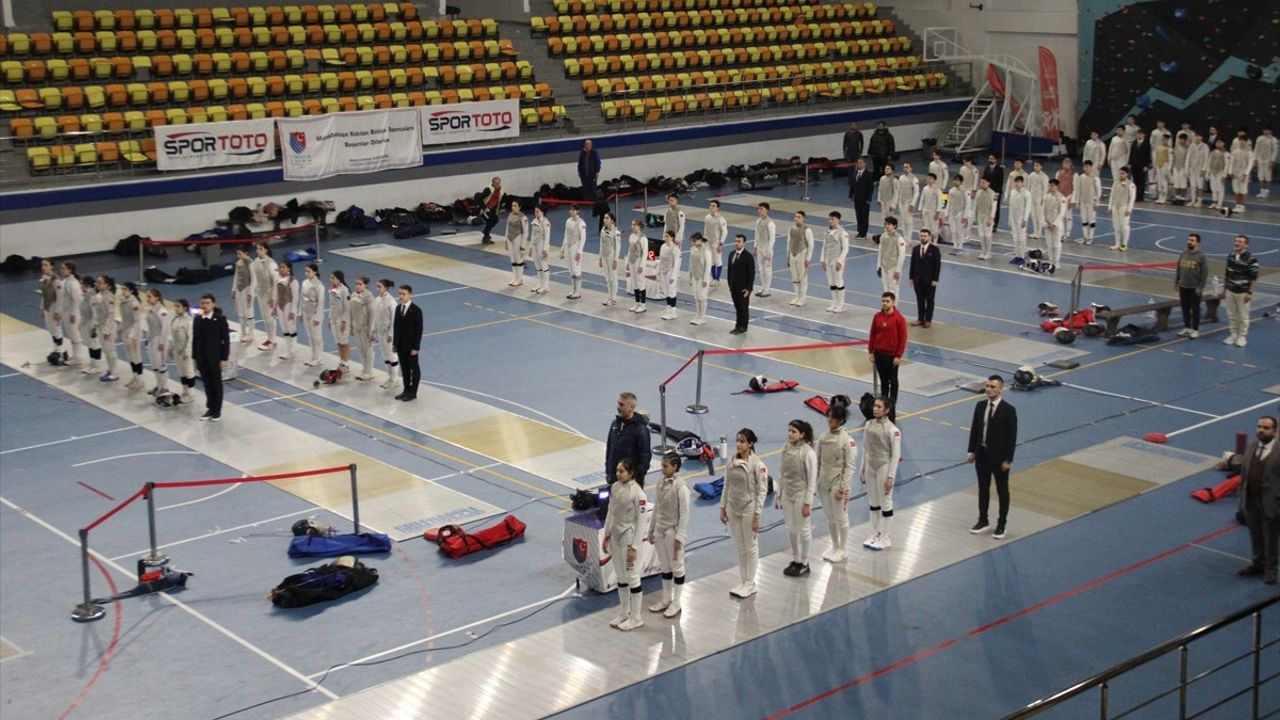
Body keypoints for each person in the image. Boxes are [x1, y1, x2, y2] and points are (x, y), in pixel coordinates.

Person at [720, 428, 768, 598]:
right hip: (733, 507)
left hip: (749, 507)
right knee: (740, 547)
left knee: (751, 547)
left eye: (742, 441)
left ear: (750, 444)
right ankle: (743, 580)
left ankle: (750, 583)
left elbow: (762, 491)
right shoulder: (731, 461)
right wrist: (722, 507)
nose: (738, 444)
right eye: (737, 441)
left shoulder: (758, 465)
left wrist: (757, 516)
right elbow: (727, 485)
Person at [967, 375, 1017, 538]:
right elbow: (975, 429)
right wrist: (971, 451)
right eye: (987, 386)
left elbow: (1012, 437)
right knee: (983, 488)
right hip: (982, 454)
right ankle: (983, 520)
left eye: (993, 387)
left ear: (1001, 389)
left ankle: (1001, 524)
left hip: (999, 458)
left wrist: (1008, 459)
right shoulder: (980, 406)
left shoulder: (1008, 410)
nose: (988, 389)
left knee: (1002, 491)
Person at [603, 457, 646, 630]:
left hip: (629, 538)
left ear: (631, 473)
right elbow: (610, 512)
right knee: (620, 577)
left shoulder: (639, 494)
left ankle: (636, 617)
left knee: (632, 577)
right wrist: (607, 534)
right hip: (616, 536)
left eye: (621, 471)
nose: (618, 474)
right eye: (617, 471)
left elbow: (641, 523)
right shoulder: (615, 487)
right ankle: (624, 612)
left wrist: (635, 547)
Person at [647, 452, 690, 617]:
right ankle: (666, 600)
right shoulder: (660, 482)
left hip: (673, 531)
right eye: (662, 466)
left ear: (675, 467)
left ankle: (676, 602)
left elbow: (685, 514)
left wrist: (680, 537)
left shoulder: (681, 487)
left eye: (665, 466)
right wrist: (651, 530)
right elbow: (656, 508)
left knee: (677, 567)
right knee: (665, 567)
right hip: (660, 530)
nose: (662, 469)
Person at [1237, 416, 1279, 585]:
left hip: (1272, 503)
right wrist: (1241, 501)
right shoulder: (1251, 447)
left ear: (1275, 431)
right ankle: (1257, 564)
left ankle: (1271, 569)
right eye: (1259, 427)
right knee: (1255, 534)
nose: (1261, 430)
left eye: (1266, 428)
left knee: (1271, 537)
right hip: (1251, 500)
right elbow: (1243, 474)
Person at [776, 419, 817, 576]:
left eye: (794, 431)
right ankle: (796, 559)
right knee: (791, 529)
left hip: (801, 494)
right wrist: (779, 494)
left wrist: (808, 503)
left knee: (804, 529)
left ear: (802, 434)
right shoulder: (785, 449)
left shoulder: (808, 453)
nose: (790, 434)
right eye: (789, 430)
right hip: (788, 494)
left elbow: (812, 480)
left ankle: (805, 563)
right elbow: (781, 473)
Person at [860, 396, 901, 551]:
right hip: (870, 466)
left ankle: (886, 537)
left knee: (885, 502)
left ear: (886, 410)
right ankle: (876, 533)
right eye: (874, 406)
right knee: (873, 502)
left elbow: (896, 455)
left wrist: (891, 477)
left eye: (879, 407)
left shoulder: (893, 430)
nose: (875, 409)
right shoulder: (868, 425)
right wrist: (862, 468)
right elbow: (865, 448)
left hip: (884, 465)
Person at [817, 405, 856, 562]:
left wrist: (843, 488)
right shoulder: (823, 438)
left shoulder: (848, 441)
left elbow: (850, 467)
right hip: (823, 482)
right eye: (829, 416)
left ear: (840, 420)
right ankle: (834, 546)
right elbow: (817, 461)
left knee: (841, 517)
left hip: (838, 482)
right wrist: (816, 483)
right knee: (830, 517)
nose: (829, 420)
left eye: (833, 417)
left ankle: (843, 549)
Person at [868, 292, 907, 417]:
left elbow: (903, 338)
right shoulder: (877, 317)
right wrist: (871, 351)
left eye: (887, 301)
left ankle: (892, 406)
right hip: (879, 354)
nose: (884, 303)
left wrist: (898, 355)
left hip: (891, 356)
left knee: (893, 381)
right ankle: (883, 406)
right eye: (883, 301)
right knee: (883, 381)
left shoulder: (899, 319)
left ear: (893, 302)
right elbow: (873, 334)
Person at [193, 293, 230, 421]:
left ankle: (217, 411)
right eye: (202, 303)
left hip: (215, 358)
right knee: (207, 385)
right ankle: (210, 408)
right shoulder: (198, 319)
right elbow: (195, 340)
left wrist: (224, 358)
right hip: (202, 358)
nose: (204, 305)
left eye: (207, 303)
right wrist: (195, 358)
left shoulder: (220, 319)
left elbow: (225, 340)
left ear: (213, 304)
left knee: (216, 384)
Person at [605, 392, 651, 485]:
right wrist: (608, 472)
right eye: (618, 403)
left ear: (631, 408)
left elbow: (645, 457)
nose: (618, 407)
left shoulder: (641, 430)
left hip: (631, 482)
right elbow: (609, 449)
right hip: (614, 479)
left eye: (622, 404)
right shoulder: (614, 424)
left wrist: (635, 478)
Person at [1223, 234, 1258, 348]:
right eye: (1236, 241)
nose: (1237, 243)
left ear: (1246, 245)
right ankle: (1233, 334)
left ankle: (1242, 336)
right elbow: (1227, 273)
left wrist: (1250, 292)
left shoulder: (1251, 259)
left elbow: (1253, 278)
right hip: (1230, 290)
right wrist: (1224, 289)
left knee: (1243, 316)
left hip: (1243, 292)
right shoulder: (1231, 256)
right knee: (1231, 314)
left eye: (1240, 242)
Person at [393, 284, 423, 401]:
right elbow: (396, 327)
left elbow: (419, 330)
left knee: (414, 369)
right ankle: (406, 390)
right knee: (404, 369)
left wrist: (416, 347)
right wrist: (395, 343)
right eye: (400, 294)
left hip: (411, 347)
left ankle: (413, 392)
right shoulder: (398, 308)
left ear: (410, 295)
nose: (401, 296)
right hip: (401, 345)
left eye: (403, 294)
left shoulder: (416, 310)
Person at [1174, 233, 1207, 339]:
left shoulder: (1201, 256)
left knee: (1195, 309)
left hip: (1194, 288)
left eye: (1192, 240)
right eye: (1188, 240)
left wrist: (1200, 287)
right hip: (1183, 286)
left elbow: (1204, 273)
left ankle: (1195, 329)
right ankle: (1187, 327)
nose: (1189, 242)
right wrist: (1176, 282)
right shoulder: (1183, 254)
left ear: (1197, 243)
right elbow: (1179, 269)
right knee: (1185, 308)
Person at [909, 229, 941, 328]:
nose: (923, 238)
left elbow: (937, 266)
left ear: (929, 237)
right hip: (918, 280)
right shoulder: (915, 249)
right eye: (921, 236)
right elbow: (912, 264)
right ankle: (920, 319)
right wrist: (911, 277)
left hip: (929, 280)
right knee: (920, 300)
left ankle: (928, 320)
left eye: (925, 236)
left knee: (930, 300)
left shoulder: (934, 250)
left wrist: (935, 279)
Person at [250, 240, 279, 351]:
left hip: (270, 294)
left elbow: (276, 282)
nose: (258, 251)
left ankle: (273, 341)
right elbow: (254, 279)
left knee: (270, 318)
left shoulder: (271, 263)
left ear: (266, 250)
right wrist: (253, 292)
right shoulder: (256, 262)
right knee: (265, 317)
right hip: (261, 293)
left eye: (261, 249)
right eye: (257, 249)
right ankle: (269, 339)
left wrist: (274, 298)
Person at [55, 261, 84, 366]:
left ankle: (78, 357)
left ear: (70, 270)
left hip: (73, 313)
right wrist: (60, 312)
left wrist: (73, 313)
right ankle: (75, 356)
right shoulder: (65, 282)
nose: (61, 270)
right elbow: (63, 300)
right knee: (71, 335)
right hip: (67, 312)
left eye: (63, 269)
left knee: (75, 335)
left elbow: (77, 300)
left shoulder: (73, 283)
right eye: (61, 268)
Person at [143, 289, 171, 395]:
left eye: (150, 296)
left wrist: (161, 342)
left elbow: (165, 328)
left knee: (161, 364)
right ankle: (159, 385)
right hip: (152, 339)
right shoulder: (150, 309)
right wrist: (147, 338)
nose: (148, 299)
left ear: (157, 297)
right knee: (154, 364)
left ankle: (165, 387)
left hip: (160, 340)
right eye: (147, 296)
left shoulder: (162, 311)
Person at [821, 211, 850, 313]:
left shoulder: (843, 233)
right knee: (831, 282)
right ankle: (835, 302)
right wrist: (822, 260)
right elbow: (824, 246)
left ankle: (841, 305)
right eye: (829, 219)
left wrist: (840, 262)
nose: (830, 221)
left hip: (837, 260)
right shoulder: (826, 231)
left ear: (838, 220)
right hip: (828, 260)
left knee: (838, 282)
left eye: (833, 219)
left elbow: (845, 249)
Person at [726, 233, 755, 334]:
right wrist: (730, 285)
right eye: (736, 241)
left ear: (744, 243)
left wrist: (749, 288)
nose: (737, 243)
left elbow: (751, 273)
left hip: (743, 288)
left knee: (743, 308)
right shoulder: (731, 254)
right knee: (737, 307)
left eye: (739, 241)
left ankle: (743, 327)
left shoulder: (748, 256)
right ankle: (737, 325)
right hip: (733, 287)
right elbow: (729, 271)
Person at [93, 276, 119, 382]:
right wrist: (95, 326)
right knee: (106, 350)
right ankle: (111, 369)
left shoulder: (109, 297)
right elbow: (97, 313)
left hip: (108, 327)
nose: (97, 284)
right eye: (97, 282)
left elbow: (110, 315)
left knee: (110, 350)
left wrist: (107, 330)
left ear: (107, 285)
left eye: (100, 282)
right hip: (100, 326)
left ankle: (115, 373)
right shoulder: (99, 296)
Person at [349, 276, 375, 380]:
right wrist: (351, 326)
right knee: (360, 349)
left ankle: (370, 372)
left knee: (368, 350)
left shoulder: (369, 297)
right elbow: (351, 312)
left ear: (365, 285)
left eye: (360, 284)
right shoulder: (353, 295)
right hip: (357, 326)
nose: (357, 286)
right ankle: (364, 369)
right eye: (356, 284)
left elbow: (372, 315)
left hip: (365, 327)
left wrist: (371, 331)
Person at [119, 282, 144, 388]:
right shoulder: (124, 301)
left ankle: (140, 380)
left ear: (131, 291)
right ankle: (135, 376)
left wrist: (131, 335)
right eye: (122, 289)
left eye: (125, 289)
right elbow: (124, 318)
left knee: (135, 356)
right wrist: (120, 328)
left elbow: (136, 321)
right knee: (130, 357)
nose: (123, 291)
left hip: (134, 333)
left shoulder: (134, 304)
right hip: (126, 331)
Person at [168, 298, 194, 401]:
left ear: (185, 308)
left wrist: (187, 351)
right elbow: (173, 336)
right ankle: (185, 391)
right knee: (181, 372)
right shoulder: (175, 319)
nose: (176, 308)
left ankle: (191, 393)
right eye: (175, 306)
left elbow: (190, 337)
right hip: (177, 350)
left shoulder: (189, 321)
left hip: (186, 351)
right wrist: (171, 348)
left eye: (178, 306)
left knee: (188, 371)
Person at [786, 211, 814, 307]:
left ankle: (802, 298)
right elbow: (789, 243)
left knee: (802, 277)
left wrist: (808, 259)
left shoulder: (807, 230)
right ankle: (797, 296)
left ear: (803, 218)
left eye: (799, 217)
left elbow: (811, 245)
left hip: (802, 254)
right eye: (795, 217)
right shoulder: (791, 229)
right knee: (795, 277)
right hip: (792, 254)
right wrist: (787, 257)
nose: (796, 218)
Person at [299, 263, 325, 367]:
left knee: (316, 337)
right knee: (310, 336)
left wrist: (317, 317)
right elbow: (301, 298)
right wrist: (300, 312)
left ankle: (319, 358)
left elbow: (321, 302)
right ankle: (313, 356)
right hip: (306, 312)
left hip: (314, 313)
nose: (306, 273)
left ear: (315, 272)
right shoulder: (304, 282)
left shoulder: (319, 286)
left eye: (308, 271)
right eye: (305, 271)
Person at [272, 260, 299, 360]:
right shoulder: (278, 279)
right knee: (284, 328)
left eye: (283, 267)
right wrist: (274, 307)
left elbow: (295, 297)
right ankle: (288, 350)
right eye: (280, 267)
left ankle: (293, 351)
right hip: (280, 306)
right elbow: (276, 294)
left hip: (289, 305)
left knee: (290, 328)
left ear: (289, 269)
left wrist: (293, 311)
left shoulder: (293, 281)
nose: (281, 269)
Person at [373, 279, 398, 388]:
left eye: (379, 286)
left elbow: (394, 320)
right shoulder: (377, 300)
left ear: (386, 288)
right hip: (380, 332)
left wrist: (391, 334)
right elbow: (375, 317)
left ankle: (394, 380)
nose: (377, 288)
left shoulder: (391, 302)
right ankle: (390, 377)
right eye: (377, 286)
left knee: (392, 355)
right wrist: (373, 330)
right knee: (385, 356)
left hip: (388, 334)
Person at [39, 259, 64, 360]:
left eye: (46, 265)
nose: (43, 267)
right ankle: (56, 349)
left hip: (54, 307)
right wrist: (42, 307)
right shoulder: (44, 278)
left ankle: (60, 351)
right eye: (42, 265)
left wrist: (57, 311)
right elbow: (43, 294)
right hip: (47, 306)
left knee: (56, 329)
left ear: (52, 266)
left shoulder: (56, 280)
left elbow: (60, 297)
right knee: (50, 329)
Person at [1072, 160, 1101, 245]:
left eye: (1087, 167)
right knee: (1084, 219)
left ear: (1091, 167)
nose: (1085, 168)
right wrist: (1077, 201)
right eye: (1084, 167)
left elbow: (1098, 192)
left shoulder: (1095, 178)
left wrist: (1097, 203)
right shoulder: (1081, 177)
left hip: (1091, 202)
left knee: (1091, 220)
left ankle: (1090, 238)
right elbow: (1078, 190)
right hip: (1083, 202)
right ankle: (1085, 237)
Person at [230, 247, 255, 346]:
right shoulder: (238, 263)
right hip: (239, 289)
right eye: (237, 254)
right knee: (241, 312)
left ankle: (251, 334)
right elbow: (236, 276)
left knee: (248, 311)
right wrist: (233, 289)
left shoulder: (251, 263)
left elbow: (254, 279)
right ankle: (243, 332)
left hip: (247, 289)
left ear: (246, 253)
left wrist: (250, 293)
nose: (239, 256)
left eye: (240, 254)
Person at [561, 204, 587, 299]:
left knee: (576, 269)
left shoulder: (581, 223)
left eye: (573, 210)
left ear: (578, 211)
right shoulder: (568, 221)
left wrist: (579, 252)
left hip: (576, 247)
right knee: (571, 270)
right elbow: (566, 235)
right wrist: (562, 249)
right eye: (570, 209)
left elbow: (583, 238)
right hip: (568, 247)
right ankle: (573, 290)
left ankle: (578, 292)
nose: (571, 211)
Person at [328, 270, 351, 374]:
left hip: (342, 320)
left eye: (333, 278)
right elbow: (331, 305)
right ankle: (341, 362)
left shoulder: (344, 290)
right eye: (331, 278)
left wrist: (344, 321)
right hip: (334, 319)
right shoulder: (332, 289)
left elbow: (347, 307)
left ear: (339, 279)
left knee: (344, 342)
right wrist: (329, 318)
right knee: (338, 341)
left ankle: (345, 363)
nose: (331, 280)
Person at [1042, 178, 1066, 273]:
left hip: (1057, 225)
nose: (1051, 187)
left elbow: (1061, 212)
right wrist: (1046, 223)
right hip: (1048, 225)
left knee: (1056, 245)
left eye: (1052, 186)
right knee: (1049, 245)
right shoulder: (1046, 197)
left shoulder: (1062, 198)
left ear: (1057, 186)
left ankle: (1056, 263)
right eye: (1050, 186)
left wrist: (1055, 223)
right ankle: (1051, 262)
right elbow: (1043, 211)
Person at [877, 215, 907, 294]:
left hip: (893, 267)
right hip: (884, 266)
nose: (886, 226)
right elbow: (880, 252)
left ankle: (894, 303)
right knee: (886, 288)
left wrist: (898, 270)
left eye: (889, 224)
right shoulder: (883, 236)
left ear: (894, 226)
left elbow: (902, 255)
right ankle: (887, 303)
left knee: (893, 289)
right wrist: (879, 266)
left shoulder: (899, 238)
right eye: (885, 224)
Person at [1109, 166, 1136, 251]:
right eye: (1120, 173)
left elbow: (1132, 198)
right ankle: (1117, 244)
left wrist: (1129, 209)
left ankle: (1124, 244)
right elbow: (1112, 195)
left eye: (1122, 173)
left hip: (1124, 207)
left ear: (1127, 174)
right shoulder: (1115, 183)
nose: (1120, 175)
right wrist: (1110, 207)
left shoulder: (1131, 185)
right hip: (1115, 206)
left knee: (1124, 226)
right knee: (1116, 226)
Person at [687, 231, 712, 325]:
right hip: (695, 276)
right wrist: (690, 277)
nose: (693, 243)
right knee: (696, 297)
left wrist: (705, 279)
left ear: (700, 240)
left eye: (695, 241)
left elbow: (708, 266)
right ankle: (697, 315)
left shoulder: (706, 252)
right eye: (692, 241)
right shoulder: (692, 250)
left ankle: (702, 317)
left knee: (702, 297)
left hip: (702, 277)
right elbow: (691, 264)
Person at [1006, 175, 1032, 264]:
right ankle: (1017, 256)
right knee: (1015, 238)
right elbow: (1011, 206)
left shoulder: (1026, 194)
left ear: (1022, 183)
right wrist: (1010, 219)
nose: (1017, 184)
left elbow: (1028, 208)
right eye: (1016, 182)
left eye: (1019, 182)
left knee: (1021, 238)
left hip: (1021, 219)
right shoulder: (1013, 192)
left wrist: (1025, 220)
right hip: (1014, 218)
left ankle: (1022, 257)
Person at [527, 205, 552, 295]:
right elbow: (532, 235)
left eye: (537, 211)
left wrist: (545, 249)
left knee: (543, 265)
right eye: (535, 211)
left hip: (542, 246)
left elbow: (547, 237)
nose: (536, 213)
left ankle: (545, 286)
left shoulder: (546, 222)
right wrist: (530, 248)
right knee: (537, 265)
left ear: (542, 212)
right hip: (535, 246)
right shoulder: (534, 221)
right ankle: (540, 284)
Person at [753, 202, 777, 296]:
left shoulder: (770, 223)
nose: (759, 211)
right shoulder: (758, 221)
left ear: (766, 210)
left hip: (767, 250)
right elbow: (756, 235)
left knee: (767, 270)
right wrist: (755, 247)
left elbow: (772, 238)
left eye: (761, 209)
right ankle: (763, 288)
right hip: (760, 249)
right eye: (758, 209)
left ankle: (767, 290)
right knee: (761, 269)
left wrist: (769, 250)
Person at [78, 276, 100, 376]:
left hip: (92, 323)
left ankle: (97, 365)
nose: (81, 286)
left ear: (87, 285)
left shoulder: (93, 296)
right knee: (90, 344)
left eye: (82, 284)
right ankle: (92, 363)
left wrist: (94, 327)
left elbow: (95, 313)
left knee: (94, 344)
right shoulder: (86, 295)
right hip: (86, 322)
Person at [849, 157, 875, 239]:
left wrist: (869, 198)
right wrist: (850, 195)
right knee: (858, 215)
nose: (859, 164)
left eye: (861, 162)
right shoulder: (855, 172)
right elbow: (852, 185)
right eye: (858, 162)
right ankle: (859, 231)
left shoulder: (868, 174)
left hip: (864, 199)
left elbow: (870, 188)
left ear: (865, 164)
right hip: (856, 198)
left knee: (864, 216)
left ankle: (864, 233)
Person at [1229, 131, 1255, 214]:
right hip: (1235, 173)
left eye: (1243, 140)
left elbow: (1250, 164)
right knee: (1236, 190)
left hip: (1244, 174)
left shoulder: (1249, 152)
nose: (1241, 142)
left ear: (1246, 142)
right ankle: (1237, 205)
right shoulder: (1235, 151)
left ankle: (1242, 206)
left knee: (1243, 190)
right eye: (1240, 140)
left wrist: (1245, 174)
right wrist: (1230, 171)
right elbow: (1231, 162)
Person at [598, 211, 621, 306]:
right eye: (604, 218)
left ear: (612, 220)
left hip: (611, 256)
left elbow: (618, 247)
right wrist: (600, 257)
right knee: (607, 278)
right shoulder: (602, 230)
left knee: (613, 278)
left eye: (607, 218)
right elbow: (601, 244)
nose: (605, 220)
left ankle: (614, 298)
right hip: (604, 255)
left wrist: (615, 260)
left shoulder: (616, 232)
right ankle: (609, 296)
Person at [504, 199, 528, 287]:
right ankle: (514, 278)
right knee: (513, 259)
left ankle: (519, 279)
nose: (513, 207)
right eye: (512, 206)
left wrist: (523, 246)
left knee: (519, 259)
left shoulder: (523, 217)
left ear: (519, 207)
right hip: (510, 239)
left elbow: (525, 233)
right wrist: (505, 240)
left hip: (518, 238)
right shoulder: (510, 215)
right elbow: (507, 228)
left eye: (515, 206)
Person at [705, 199, 728, 289]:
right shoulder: (707, 217)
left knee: (717, 260)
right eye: (710, 205)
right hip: (708, 242)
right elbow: (706, 230)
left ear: (718, 208)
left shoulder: (721, 219)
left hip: (716, 242)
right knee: (710, 260)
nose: (711, 207)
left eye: (713, 206)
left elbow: (725, 232)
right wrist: (704, 241)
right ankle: (713, 278)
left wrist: (721, 244)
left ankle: (717, 279)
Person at [625, 219, 648, 312]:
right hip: (632, 261)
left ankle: (643, 305)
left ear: (639, 226)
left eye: (634, 225)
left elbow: (645, 253)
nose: (632, 226)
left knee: (640, 283)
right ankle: (637, 303)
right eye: (632, 224)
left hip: (639, 261)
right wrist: (627, 262)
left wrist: (641, 265)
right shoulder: (631, 236)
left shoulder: (643, 238)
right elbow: (629, 250)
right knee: (634, 283)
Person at [658, 229, 680, 321]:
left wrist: (673, 276)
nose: (665, 238)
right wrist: (658, 271)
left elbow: (677, 263)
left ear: (672, 238)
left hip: (670, 271)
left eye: (667, 236)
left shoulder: (675, 249)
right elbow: (660, 259)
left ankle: (673, 312)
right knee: (666, 291)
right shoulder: (663, 246)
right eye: (665, 236)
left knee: (671, 291)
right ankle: (668, 310)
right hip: (663, 271)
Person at [945, 174, 970, 255]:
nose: (955, 182)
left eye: (957, 180)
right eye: (955, 180)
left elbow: (968, 204)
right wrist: (946, 213)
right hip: (952, 213)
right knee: (953, 231)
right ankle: (955, 247)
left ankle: (960, 247)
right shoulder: (951, 191)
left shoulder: (965, 191)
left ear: (961, 182)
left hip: (960, 213)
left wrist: (965, 216)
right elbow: (949, 203)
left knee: (959, 231)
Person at [972, 177, 996, 260]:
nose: (981, 184)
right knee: (981, 235)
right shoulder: (979, 192)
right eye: (981, 182)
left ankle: (988, 253)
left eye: (983, 182)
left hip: (987, 217)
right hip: (980, 216)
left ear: (988, 183)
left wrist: (991, 218)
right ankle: (983, 252)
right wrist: (974, 216)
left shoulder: (993, 194)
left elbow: (994, 207)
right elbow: (975, 205)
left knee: (987, 235)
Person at [895, 162, 920, 241]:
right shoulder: (901, 178)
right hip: (901, 202)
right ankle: (905, 237)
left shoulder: (914, 179)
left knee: (908, 220)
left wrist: (912, 204)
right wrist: (896, 200)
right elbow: (898, 190)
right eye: (904, 167)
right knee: (903, 220)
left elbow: (916, 193)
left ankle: (908, 239)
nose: (905, 169)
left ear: (911, 169)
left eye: (907, 167)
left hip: (909, 202)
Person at [917, 172, 942, 246]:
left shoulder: (937, 190)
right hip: (925, 211)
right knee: (926, 227)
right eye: (927, 178)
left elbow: (939, 202)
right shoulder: (925, 188)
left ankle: (934, 243)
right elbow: (922, 199)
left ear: (934, 180)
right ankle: (928, 242)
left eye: (930, 178)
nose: (928, 180)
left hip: (933, 211)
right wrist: (921, 210)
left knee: (934, 228)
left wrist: (937, 212)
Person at [1025, 160, 1049, 239]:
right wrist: (1027, 197)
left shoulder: (1044, 176)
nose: (1035, 167)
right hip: (1032, 198)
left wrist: (1043, 198)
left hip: (1039, 199)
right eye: (1035, 165)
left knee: (1039, 216)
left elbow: (1045, 188)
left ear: (1041, 167)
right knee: (1033, 216)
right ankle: (1035, 231)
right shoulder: (1031, 175)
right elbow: (1028, 187)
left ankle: (1039, 232)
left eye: (1037, 165)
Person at [982, 154, 1005, 230]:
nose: (990, 160)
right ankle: (986, 223)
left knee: (995, 209)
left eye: (992, 158)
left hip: (995, 192)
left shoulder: (1000, 169)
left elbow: (1000, 182)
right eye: (989, 158)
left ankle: (994, 225)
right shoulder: (987, 168)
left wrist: (997, 193)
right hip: (987, 191)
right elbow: (984, 179)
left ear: (995, 160)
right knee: (987, 207)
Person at [1186, 132, 1209, 207]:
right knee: (1192, 186)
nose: (1197, 138)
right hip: (1192, 169)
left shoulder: (1205, 146)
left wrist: (1204, 169)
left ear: (1202, 137)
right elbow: (1188, 158)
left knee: (1200, 186)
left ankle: (1199, 201)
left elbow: (1206, 159)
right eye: (1196, 136)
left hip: (1200, 169)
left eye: (1199, 136)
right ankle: (1193, 200)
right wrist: (1187, 169)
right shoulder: (1191, 146)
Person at [1206, 138, 1229, 210]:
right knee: (1213, 188)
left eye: (1220, 143)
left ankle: (1220, 203)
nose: (1218, 144)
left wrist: (1224, 175)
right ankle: (1214, 202)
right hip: (1212, 172)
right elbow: (1209, 162)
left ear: (1224, 144)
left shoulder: (1226, 153)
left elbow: (1227, 165)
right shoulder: (1212, 152)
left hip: (1220, 172)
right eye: (1217, 142)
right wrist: (1207, 173)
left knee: (1220, 188)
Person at [479, 176, 503, 244]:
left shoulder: (499, 190)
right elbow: (479, 199)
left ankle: (486, 232)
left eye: (499, 183)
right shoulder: (488, 190)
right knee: (490, 221)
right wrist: (484, 208)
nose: (498, 185)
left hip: (491, 209)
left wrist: (500, 208)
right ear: (493, 184)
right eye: (496, 183)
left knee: (495, 220)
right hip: (484, 210)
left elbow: (498, 200)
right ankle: (485, 237)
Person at [1056, 157, 1075, 240]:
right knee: (1060, 216)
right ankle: (1062, 233)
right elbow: (1056, 185)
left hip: (1069, 196)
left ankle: (1068, 234)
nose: (1065, 165)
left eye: (1067, 163)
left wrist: (1072, 199)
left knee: (1068, 217)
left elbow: (1075, 188)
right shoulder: (1059, 173)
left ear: (1070, 164)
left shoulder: (1074, 175)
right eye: (1064, 163)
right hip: (1060, 197)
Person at [1130, 130, 1151, 202]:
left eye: (1140, 134)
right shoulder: (1134, 143)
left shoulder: (1146, 144)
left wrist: (1146, 165)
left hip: (1142, 165)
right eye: (1138, 134)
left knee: (1141, 181)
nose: (1139, 135)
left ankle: (1140, 196)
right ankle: (1134, 195)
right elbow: (1131, 154)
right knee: (1135, 181)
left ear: (1143, 135)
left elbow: (1147, 156)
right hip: (1134, 165)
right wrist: (1130, 163)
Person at [1256, 126, 1275, 198]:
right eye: (1265, 130)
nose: (1266, 131)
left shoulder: (1273, 139)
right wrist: (1255, 159)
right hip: (1260, 159)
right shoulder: (1259, 138)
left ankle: (1267, 192)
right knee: (1260, 175)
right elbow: (1256, 149)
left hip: (1268, 159)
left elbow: (1274, 151)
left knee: (1267, 176)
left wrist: (1272, 160)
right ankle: (1262, 191)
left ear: (1270, 131)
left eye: (1268, 130)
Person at [1153, 135, 1173, 204]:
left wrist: (1169, 169)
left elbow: (1171, 159)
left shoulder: (1169, 148)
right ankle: (1160, 197)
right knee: (1159, 182)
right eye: (1162, 139)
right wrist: (1155, 166)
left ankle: (1164, 197)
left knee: (1164, 182)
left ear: (1167, 140)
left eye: (1164, 139)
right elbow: (1155, 157)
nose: (1163, 140)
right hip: (1158, 165)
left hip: (1165, 165)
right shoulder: (1158, 147)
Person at [1171, 134, 1189, 204]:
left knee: (1183, 184)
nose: (1181, 141)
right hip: (1176, 167)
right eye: (1180, 139)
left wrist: (1187, 169)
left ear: (1185, 140)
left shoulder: (1188, 148)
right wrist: (1172, 167)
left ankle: (1182, 198)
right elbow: (1173, 158)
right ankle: (1177, 197)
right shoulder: (1175, 148)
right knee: (1176, 183)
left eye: (1183, 139)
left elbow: (1188, 160)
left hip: (1183, 168)